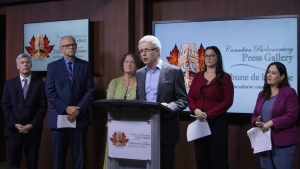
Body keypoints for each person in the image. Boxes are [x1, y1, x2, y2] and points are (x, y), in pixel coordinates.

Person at [136, 35, 188, 169]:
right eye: (141, 51)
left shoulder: (173, 71)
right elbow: (138, 98)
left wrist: (170, 106)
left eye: (147, 50)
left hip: (166, 127)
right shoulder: (140, 73)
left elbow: (183, 99)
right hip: (144, 131)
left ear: (157, 51)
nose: (143, 54)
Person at [45, 36, 95, 169]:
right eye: (67, 45)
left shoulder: (85, 66)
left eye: (73, 45)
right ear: (61, 49)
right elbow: (50, 92)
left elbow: (90, 91)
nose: (71, 47)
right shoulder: (52, 67)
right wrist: (66, 108)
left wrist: (77, 109)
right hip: (59, 117)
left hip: (80, 117)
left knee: (79, 157)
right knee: (58, 158)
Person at [188, 46, 234, 169]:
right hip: (199, 121)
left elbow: (228, 101)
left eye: (212, 55)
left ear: (218, 58)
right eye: (206, 56)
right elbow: (190, 97)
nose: (208, 58)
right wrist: (195, 110)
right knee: (201, 156)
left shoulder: (225, 77)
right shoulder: (197, 76)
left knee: (218, 157)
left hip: (217, 123)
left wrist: (209, 114)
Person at [2, 53, 47, 169]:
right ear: (17, 66)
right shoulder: (9, 84)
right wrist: (15, 124)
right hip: (13, 130)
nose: (25, 65)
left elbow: (42, 107)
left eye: (27, 62)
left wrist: (31, 125)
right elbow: (6, 106)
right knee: (13, 164)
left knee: (32, 164)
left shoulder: (40, 84)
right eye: (22, 63)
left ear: (31, 65)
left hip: (32, 130)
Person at [251, 62, 299, 169]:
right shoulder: (262, 94)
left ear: (282, 76)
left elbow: (292, 116)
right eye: (268, 72)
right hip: (264, 141)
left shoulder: (289, 92)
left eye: (273, 73)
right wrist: (256, 122)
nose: (269, 75)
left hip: (283, 141)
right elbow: (255, 114)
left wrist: (271, 122)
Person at [104, 52, 140, 168]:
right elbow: (109, 103)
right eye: (126, 62)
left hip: (135, 127)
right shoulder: (114, 82)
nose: (129, 64)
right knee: (115, 160)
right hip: (116, 127)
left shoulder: (142, 83)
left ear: (137, 66)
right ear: (122, 65)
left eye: (132, 62)